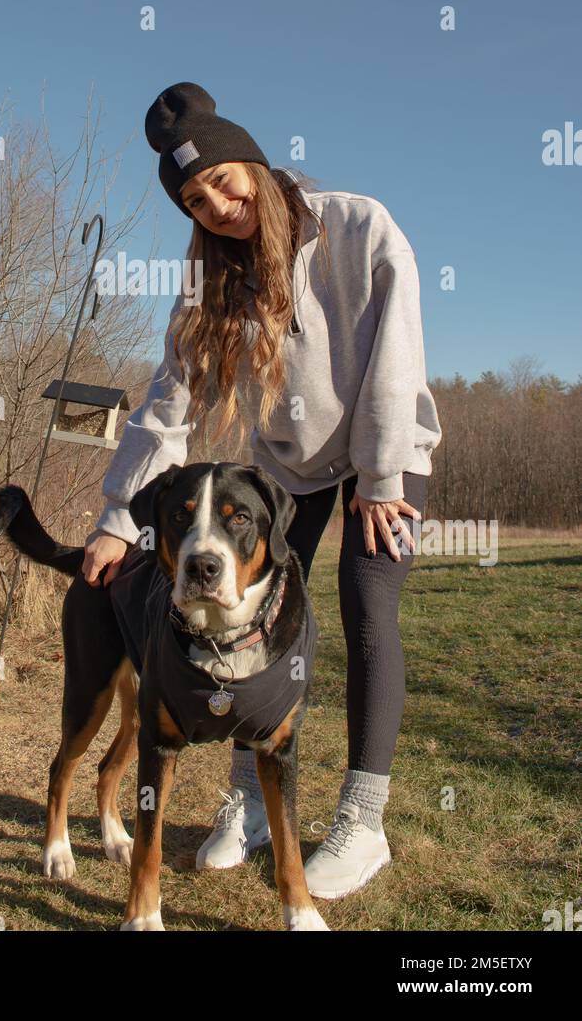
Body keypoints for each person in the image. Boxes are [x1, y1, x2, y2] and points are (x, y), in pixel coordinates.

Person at [82, 81, 441, 899]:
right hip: (289, 464)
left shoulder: (358, 225)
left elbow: (397, 353)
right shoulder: (209, 273)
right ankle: (245, 800)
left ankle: (362, 820)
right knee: (259, 617)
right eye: (195, 199)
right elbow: (170, 397)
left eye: (221, 179)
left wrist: (381, 477)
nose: (215, 203)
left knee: (365, 596)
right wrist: (115, 516)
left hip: (385, 452)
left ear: (249, 160)